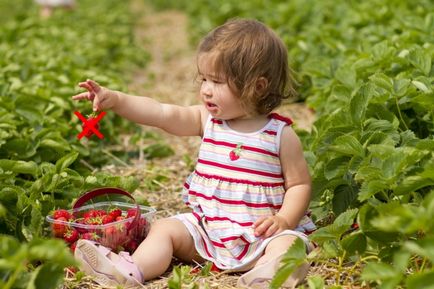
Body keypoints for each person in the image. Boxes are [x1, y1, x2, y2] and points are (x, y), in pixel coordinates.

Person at [72, 18, 316, 288]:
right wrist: (116, 100)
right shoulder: (206, 120)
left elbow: (300, 184)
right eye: (204, 79)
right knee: (165, 229)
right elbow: (161, 113)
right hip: (208, 232)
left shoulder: (280, 135)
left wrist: (284, 219)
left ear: (257, 87)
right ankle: (131, 269)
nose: (205, 90)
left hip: (262, 236)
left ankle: (270, 274)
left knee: (288, 243)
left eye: (218, 82)